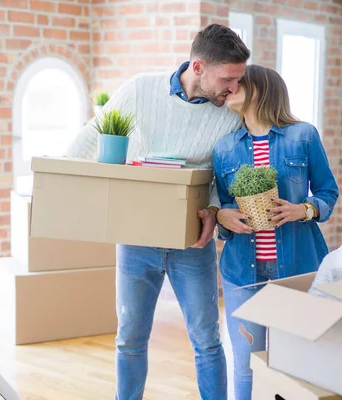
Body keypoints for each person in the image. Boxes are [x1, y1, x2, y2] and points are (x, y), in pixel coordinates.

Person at [66, 24, 250, 400]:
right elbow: (93, 136)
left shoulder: (230, 112)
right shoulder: (140, 90)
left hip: (192, 243)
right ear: (197, 67)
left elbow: (223, 173)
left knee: (206, 340)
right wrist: (59, 175)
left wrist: (215, 208)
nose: (234, 88)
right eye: (228, 79)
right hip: (136, 239)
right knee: (129, 338)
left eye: (238, 79)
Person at [213, 65, 339, 400]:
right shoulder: (224, 148)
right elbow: (223, 206)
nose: (231, 88)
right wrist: (223, 218)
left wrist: (303, 210)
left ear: (260, 89)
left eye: (240, 83)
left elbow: (328, 193)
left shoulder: (303, 136)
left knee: (296, 363)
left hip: (299, 268)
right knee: (246, 364)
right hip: (242, 273)